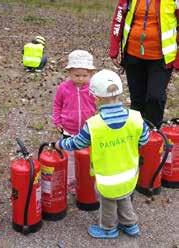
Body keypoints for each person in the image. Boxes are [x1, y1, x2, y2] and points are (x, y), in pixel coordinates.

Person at [55, 69, 149, 239]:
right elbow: (144, 140)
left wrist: (60, 143)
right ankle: (131, 225)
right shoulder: (136, 118)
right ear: (120, 93)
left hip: (107, 177)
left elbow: (77, 143)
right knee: (124, 196)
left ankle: (108, 228)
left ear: (96, 98)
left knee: (108, 202)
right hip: (129, 173)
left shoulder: (94, 125)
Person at [109, 0, 179, 127]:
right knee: (137, 99)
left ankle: (153, 134)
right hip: (133, 55)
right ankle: (137, 135)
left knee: (155, 97)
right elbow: (118, 20)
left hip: (161, 58)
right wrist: (114, 49)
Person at [52, 49, 96, 194]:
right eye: (77, 75)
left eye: (85, 75)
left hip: (88, 129)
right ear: (69, 73)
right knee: (70, 157)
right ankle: (71, 182)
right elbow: (57, 105)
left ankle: (88, 179)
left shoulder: (93, 88)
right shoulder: (63, 88)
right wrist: (57, 121)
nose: (81, 78)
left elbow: (99, 104)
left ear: (91, 74)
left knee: (88, 155)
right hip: (68, 129)